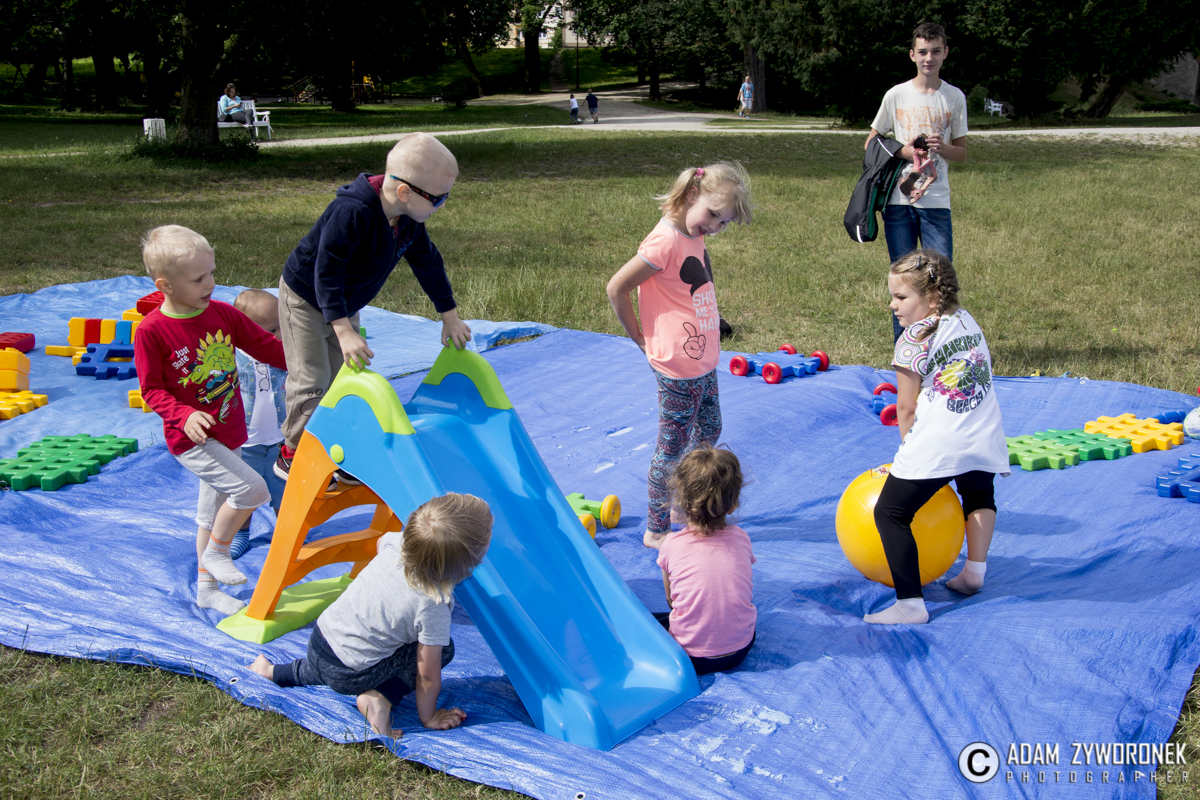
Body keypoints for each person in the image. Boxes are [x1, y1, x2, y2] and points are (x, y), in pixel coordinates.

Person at [274, 132, 472, 481]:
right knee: (312, 380)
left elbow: (428, 264)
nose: (443, 205)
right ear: (405, 192)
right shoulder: (352, 212)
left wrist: (449, 317)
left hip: (344, 301)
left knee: (342, 380)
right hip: (305, 298)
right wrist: (343, 330)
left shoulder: (407, 220)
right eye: (439, 198)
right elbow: (326, 271)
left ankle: (336, 450)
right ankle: (294, 452)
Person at [133, 225, 288, 616]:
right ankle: (218, 552)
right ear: (165, 285)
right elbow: (151, 390)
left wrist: (314, 365)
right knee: (253, 491)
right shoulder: (152, 331)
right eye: (199, 279)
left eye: (212, 273)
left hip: (230, 432)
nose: (211, 284)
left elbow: (266, 348)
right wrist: (184, 415)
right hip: (194, 440)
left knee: (210, 513)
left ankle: (206, 590)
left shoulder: (221, 314)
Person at [249, 493, 493, 738]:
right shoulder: (433, 604)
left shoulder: (396, 543)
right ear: (469, 563)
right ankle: (379, 699)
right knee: (443, 648)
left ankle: (271, 672)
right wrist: (429, 717)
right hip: (353, 674)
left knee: (336, 659)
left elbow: (379, 544)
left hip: (320, 642)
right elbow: (427, 676)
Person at [606, 163, 752, 549]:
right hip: (676, 365)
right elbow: (617, 288)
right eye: (713, 215)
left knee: (709, 429)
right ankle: (656, 528)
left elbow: (700, 277)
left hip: (702, 358)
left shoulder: (693, 232)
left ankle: (681, 503)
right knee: (670, 449)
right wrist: (641, 339)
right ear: (692, 195)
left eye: (724, 223)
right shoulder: (664, 241)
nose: (715, 227)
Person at [865, 250, 1008, 625]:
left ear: (931, 298)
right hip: (983, 431)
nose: (893, 305)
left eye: (901, 297)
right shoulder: (966, 320)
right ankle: (974, 573)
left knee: (890, 512)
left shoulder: (912, 340)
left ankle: (910, 604)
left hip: (942, 440)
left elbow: (906, 408)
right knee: (978, 495)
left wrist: (907, 456)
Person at [864, 22, 968, 342]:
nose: (929, 58)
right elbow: (871, 142)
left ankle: (939, 344)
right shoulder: (896, 95)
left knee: (939, 278)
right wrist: (904, 151)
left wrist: (941, 148)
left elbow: (962, 153)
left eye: (935, 51)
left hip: (936, 203)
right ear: (912, 54)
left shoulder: (954, 97)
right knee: (904, 280)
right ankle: (905, 349)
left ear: (945, 52)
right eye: (923, 52)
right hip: (898, 202)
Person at [654, 444, 756, 674]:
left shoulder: (672, 544)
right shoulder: (742, 538)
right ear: (734, 504)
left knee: (651, 621)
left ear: (683, 502)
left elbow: (671, 600)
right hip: (740, 649)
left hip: (691, 657)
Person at [229, 288, 289, 559]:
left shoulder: (282, 355)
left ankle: (286, 532)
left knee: (284, 491)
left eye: (281, 327)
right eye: (272, 330)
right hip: (246, 443)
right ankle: (240, 533)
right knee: (243, 494)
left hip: (280, 441)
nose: (279, 335)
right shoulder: (233, 359)